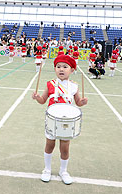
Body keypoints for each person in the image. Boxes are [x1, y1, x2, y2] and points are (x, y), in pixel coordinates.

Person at [32, 55, 88, 185]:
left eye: (65, 67)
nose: (61, 69)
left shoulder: (74, 86)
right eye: (58, 67)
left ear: (72, 70)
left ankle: (63, 171)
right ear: (55, 69)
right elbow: (43, 101)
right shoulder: (50, 84)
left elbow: (78, 102)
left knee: (65, 148)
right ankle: (47, 169)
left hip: (66, 122)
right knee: (49, 145)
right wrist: (37, 97)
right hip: (52, 120)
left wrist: (83, 102)